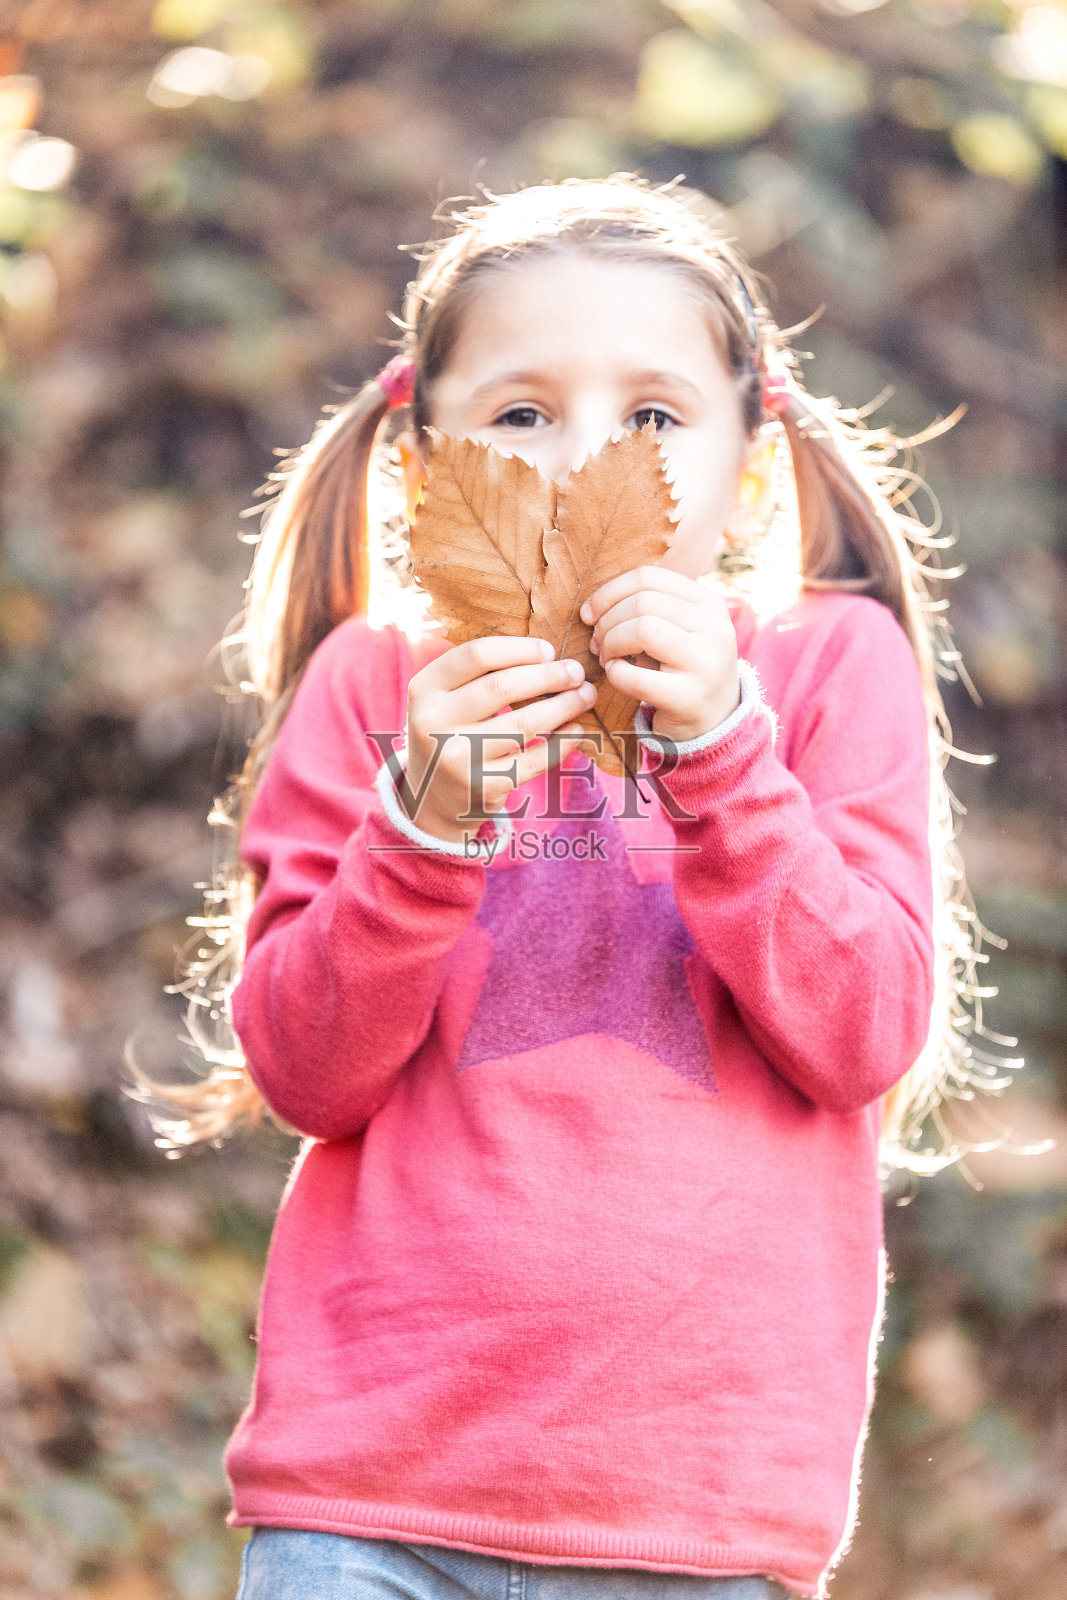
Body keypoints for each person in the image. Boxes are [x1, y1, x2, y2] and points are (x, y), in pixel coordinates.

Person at [139, 175, 1023, 1600]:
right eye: (522, 413)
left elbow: (863, 1032)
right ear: (427, 464)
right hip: (367, 1493)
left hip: (699, 1507)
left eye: (655, 417)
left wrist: (725, 754)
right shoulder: (375, 685)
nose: (584, 460)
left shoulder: (820, 673)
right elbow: (307, 1072)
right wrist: (426, 821)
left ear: (750, 460)